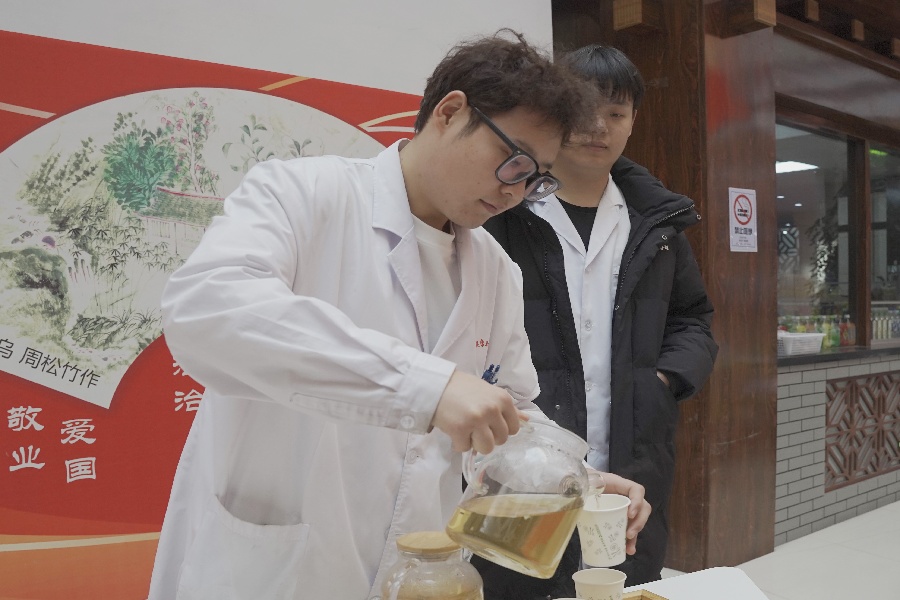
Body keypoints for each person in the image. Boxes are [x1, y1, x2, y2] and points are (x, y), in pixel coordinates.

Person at [147, 32, 651, 600]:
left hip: (421, 573)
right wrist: (429, 387)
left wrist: (573, 478)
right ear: (450, 112)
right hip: (278, 572)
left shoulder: (495, 270)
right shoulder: (303, 195)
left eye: (537, 178)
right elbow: (208, 307)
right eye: (514, 161)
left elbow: (505, 414)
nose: (517, 191)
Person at [479, 44, 719, 598]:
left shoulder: (658, 225)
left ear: (633, 122)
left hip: (632, 450)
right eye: (585, 109)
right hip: (523, 454)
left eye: (616, 113)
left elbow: (693, 319)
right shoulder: (503, 212)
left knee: (621, 579)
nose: (599, 127)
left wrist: (661, 381)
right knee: (518, 577)